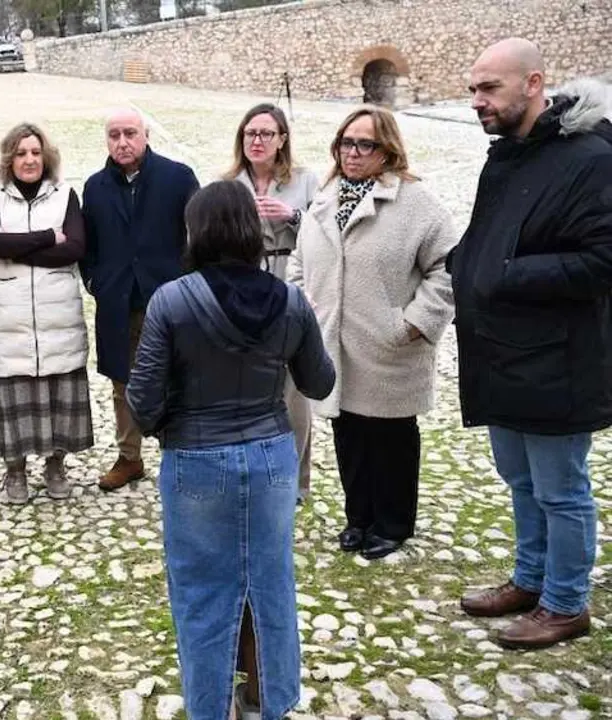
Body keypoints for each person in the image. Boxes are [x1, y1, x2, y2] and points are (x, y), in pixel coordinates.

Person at [127, 181, 334, 720]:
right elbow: (318, 381)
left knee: (201, 593)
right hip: (270, 459)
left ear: (196, 232)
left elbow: (143, 403)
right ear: (251, 230)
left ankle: (211, 707)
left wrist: (177, 421)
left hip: (196, 461)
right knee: (269, 583)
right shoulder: (288, 300)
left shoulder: (172, 300)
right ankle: (266, 697)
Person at [454, 39, 612, 650]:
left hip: (558, 360)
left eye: (489, 88)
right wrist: (464, 263)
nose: (477, 101)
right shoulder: (509, 154)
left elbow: (601, 261)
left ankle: (567, 603)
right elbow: (489, 236)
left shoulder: (592, 157)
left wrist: (504, 274)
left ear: (534, 83)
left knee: (560, 488)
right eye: (472, 90)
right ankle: (530, 578)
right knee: (518, 478)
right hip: (501, 352)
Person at [287, 106, 457, 561]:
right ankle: (358, 517)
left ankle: (393, 523)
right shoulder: (326, 197)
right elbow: (299, 263)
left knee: (391, 437)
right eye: (347, 142)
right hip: (333, 341)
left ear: (388, 150)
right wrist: (306, 307)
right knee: (349, 434)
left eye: (365, 144)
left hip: (389, 343)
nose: (353, 153)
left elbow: (447, 266)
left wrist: (416, 322)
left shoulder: (415, 202)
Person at [81, 108, 199, 491]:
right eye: (114, 134)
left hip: (169, 299)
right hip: (117, 300)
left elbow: (197, 236)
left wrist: (188, 285)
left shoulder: (177, 178)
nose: (122, 142)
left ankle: (179, 452)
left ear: (145, 135)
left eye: (129, 133)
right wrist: (97, 281)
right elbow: (89, 245)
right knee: (122, 382)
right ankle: (129, 457)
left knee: (177, 377)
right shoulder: (95, 187)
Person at [0, 122, 91, 504]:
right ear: (10, 159)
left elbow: (75, 248)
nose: (29, 160)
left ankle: (56, 464)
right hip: (10, 318)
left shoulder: (65, 195)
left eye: (35, 153)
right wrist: (46, 237)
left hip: (57, 313)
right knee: (14, 392)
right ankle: (15, 472)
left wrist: (17, 248)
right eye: (22, 153)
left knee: (59, 392)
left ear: (46, 157)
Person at [223, 103, 319, 504]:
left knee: (293, 393)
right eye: (250, 133)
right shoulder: (228, 185)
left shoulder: (305, 181)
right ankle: (251, 472)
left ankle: (295, 481)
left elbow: (325, 235)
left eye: (265, 133)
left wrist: (293, 216)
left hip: (290, 289)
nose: (257, 141)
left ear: (282, 139)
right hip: (242, 294)